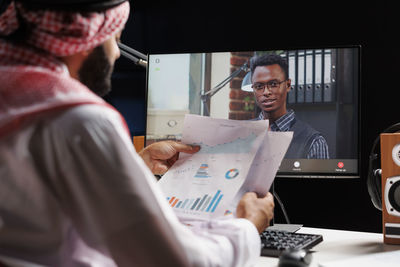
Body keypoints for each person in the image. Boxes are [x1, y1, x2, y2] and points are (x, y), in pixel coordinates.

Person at [0, 1, 275, 266]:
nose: (117, 53)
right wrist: (248, 227)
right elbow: (176, 262)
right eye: (115, 38)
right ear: (87, 38)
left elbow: (34, 199)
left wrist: (133, 165)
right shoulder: (80, 120)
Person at [250, 54, 329, 159]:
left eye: (273, 84)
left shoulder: (314, 142)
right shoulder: (240, 134)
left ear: (288, 85)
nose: (266, 92)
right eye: (259, 86)